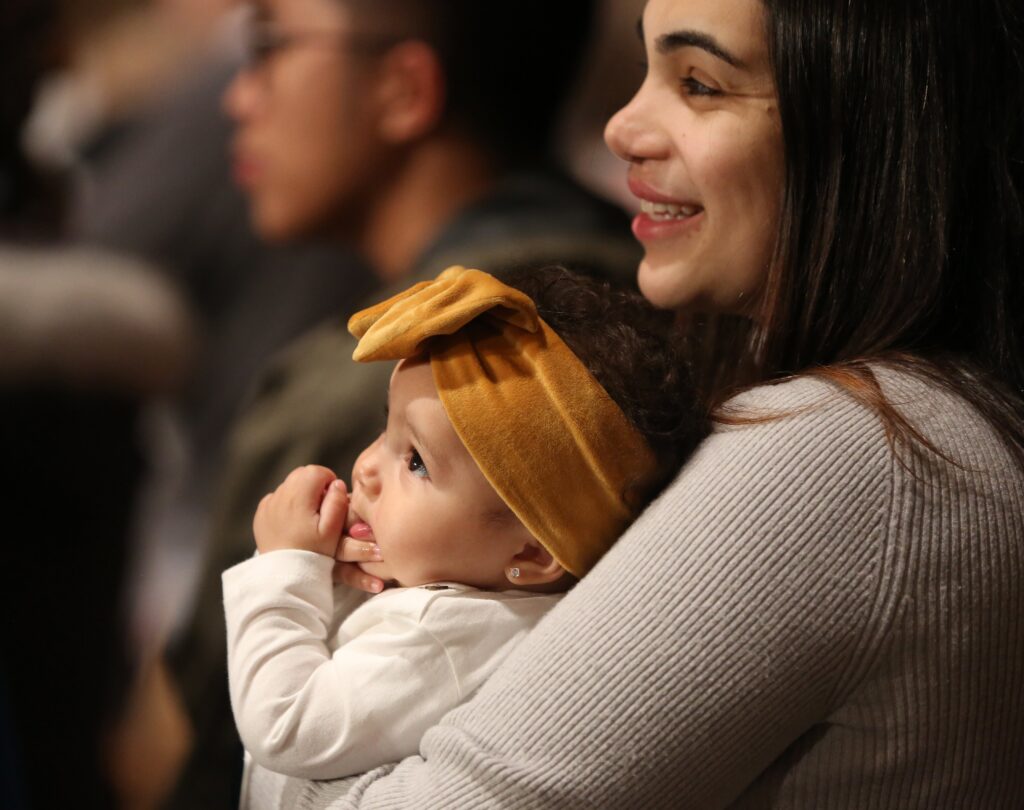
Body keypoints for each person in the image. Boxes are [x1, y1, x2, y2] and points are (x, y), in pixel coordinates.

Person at [255, 0, 1022, 807]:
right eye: (646, 69)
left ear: (866, 125)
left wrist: (303, 621)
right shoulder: (919, 421)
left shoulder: (854, 454)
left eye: (699, 84)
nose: (623, 126)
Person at [158, 1, 643, 805]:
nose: (237, 97)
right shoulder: (631, 301)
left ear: (402, 87)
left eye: (271, 46)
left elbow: (200, 734)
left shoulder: (481, 370)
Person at [226, 266, 703, 803]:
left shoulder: (443, 636)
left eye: (417, 462)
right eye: (387, 427)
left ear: (532, 550)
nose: (365, 470)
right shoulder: (458, 594)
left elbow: (286, 726)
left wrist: (283, 567)